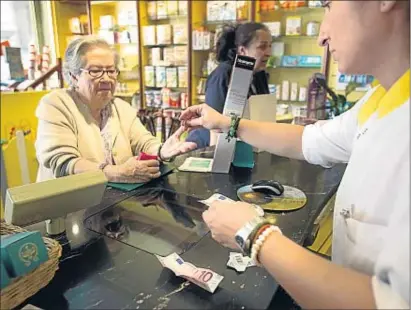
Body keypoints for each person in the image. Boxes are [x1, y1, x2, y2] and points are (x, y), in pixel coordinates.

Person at [180, 1, 410, 308]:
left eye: (329, 5)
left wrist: (253, 235)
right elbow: (310, 139)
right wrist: (227, 123)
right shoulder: (384, 97)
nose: (322, 36)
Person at [35, 37, 196, 183]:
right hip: (69, 209)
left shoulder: (121, 107)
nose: (106, 78)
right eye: (96, 71)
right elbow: (63, 163)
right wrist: (114, 172)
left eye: (111, 71)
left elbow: (143, 142)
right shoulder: (56, 105)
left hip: (111, 206)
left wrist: (162, 151)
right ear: (74, 76)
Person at [186, 22, 272, 148]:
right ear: (242, 50)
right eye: (262, 47)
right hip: (207, 147)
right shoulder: (223, 75)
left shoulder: (259, 75)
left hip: (243, 145)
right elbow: (214, 125)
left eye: (270, 46)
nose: (269, 52)